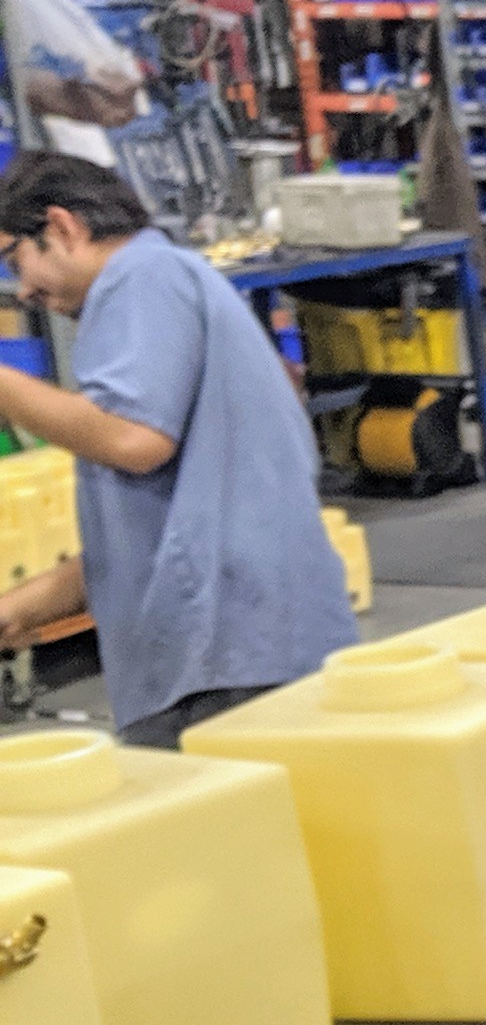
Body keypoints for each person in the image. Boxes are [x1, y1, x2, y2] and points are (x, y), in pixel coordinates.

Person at [0, 154, 353, 746]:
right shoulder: (158, 288)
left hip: (229, 657)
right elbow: (153, 536)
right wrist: (23, 607)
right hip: (229, 650)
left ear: (61, 227)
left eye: (15, 262)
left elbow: (133, 440)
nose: (24, 290)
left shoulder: (143, 278)